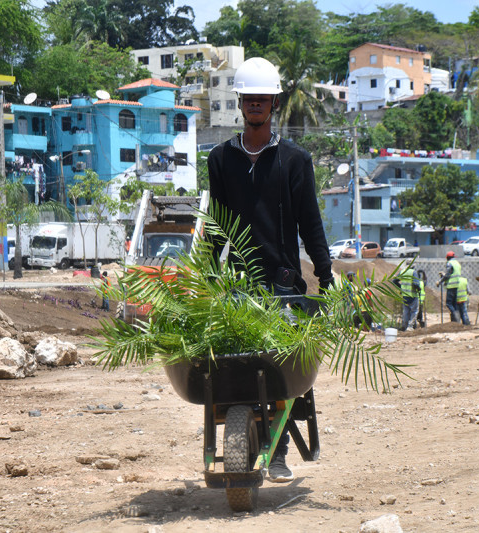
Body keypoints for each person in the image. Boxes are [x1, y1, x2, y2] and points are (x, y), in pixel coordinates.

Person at [208, 57, 334, 484]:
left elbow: (310, 222)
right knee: (233, 370)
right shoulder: (221, 159)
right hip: (238, 284)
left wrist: (326, 273)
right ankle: (240, 439)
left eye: (263, 98)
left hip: (281, 283)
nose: (256, 104)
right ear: (240, 102)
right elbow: (216, 225)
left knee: (277, 368)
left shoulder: (294, 160)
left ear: (274, 103)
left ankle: (278, 452)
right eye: (249, 98)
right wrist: (208, 276)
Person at [436, 251, 462, 323]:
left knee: (448, 303)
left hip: (451, 285)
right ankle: (456, 321)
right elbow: (452, 273)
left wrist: (440, 281)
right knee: (454, 303)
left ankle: (455, 316)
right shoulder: (457, 263)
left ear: (447, 258)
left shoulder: (449, 263)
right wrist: (444, 274)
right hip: (457, 285)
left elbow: (448, 275)